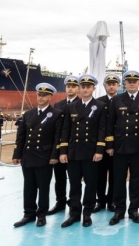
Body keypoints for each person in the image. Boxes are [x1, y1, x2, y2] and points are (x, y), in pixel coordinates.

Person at [58, 74, 107, 228]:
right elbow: (66, 129)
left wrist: (99, 150)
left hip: (90, 152)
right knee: (74, 184)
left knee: (91, 184)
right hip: (73, 152)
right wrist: (63, 151)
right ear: (80, 88)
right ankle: (74, 213)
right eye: (83, 86)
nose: (85, 89)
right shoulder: (71, 107)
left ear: (93, 88)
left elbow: (102, 129)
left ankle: (87, 212)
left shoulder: (99, 106)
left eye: (88, 87)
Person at [12, 83, 64, 228]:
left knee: (43, 188)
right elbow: (21, 136)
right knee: (28, 187)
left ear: (50, 97)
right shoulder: (28, 114)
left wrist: (54, 155)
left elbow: (57, 138)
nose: (40, 98)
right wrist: (17, 154)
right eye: (39, 95)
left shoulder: (56, 114)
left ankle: (41, 215)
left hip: (45, 157)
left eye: (44, 95)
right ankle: (28, 214)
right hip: (28, 156)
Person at [107, 70, 139, 226]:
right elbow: (110, 124)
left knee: (135, 180)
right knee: (119, 180)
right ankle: (119, 210)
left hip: (138, 147)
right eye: (129, 81)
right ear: (125, 83)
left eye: (134, 81)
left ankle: (134, 210)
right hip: (120, 146)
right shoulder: (117, 100)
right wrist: (110, 145)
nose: (132, 83)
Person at [48, 75, 81, 216]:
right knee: (59, 178)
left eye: (73, 86)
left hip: (75, 148)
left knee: (75, 179)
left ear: (78, 88)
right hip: (60, 146)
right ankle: (60, 202)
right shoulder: (58, 105)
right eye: (68, 86)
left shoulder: (83, 104)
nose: (71, 88)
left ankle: (74, 204)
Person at [93, 73, 121, 213]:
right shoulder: (98, 102)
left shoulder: (122, 100)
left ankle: (112, 201)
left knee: (114, 175)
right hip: (100, 144)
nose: (111, 86)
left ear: (118, 86)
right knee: (100, 175)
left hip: (117, 145)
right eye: (108, 84)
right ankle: (100, 201)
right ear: (104, 86)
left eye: (114, 84)